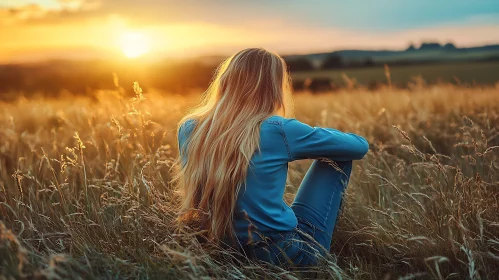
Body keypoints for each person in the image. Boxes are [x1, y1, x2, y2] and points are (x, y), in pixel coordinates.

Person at [175, 48, 369, 266]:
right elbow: (358, 146)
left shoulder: (190, 128)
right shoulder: (277, 129)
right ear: (273, 87)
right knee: (339, 157)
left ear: (226, 81)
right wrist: (319, 136)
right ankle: (321, 258)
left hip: (220, 253)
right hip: (284, 256)